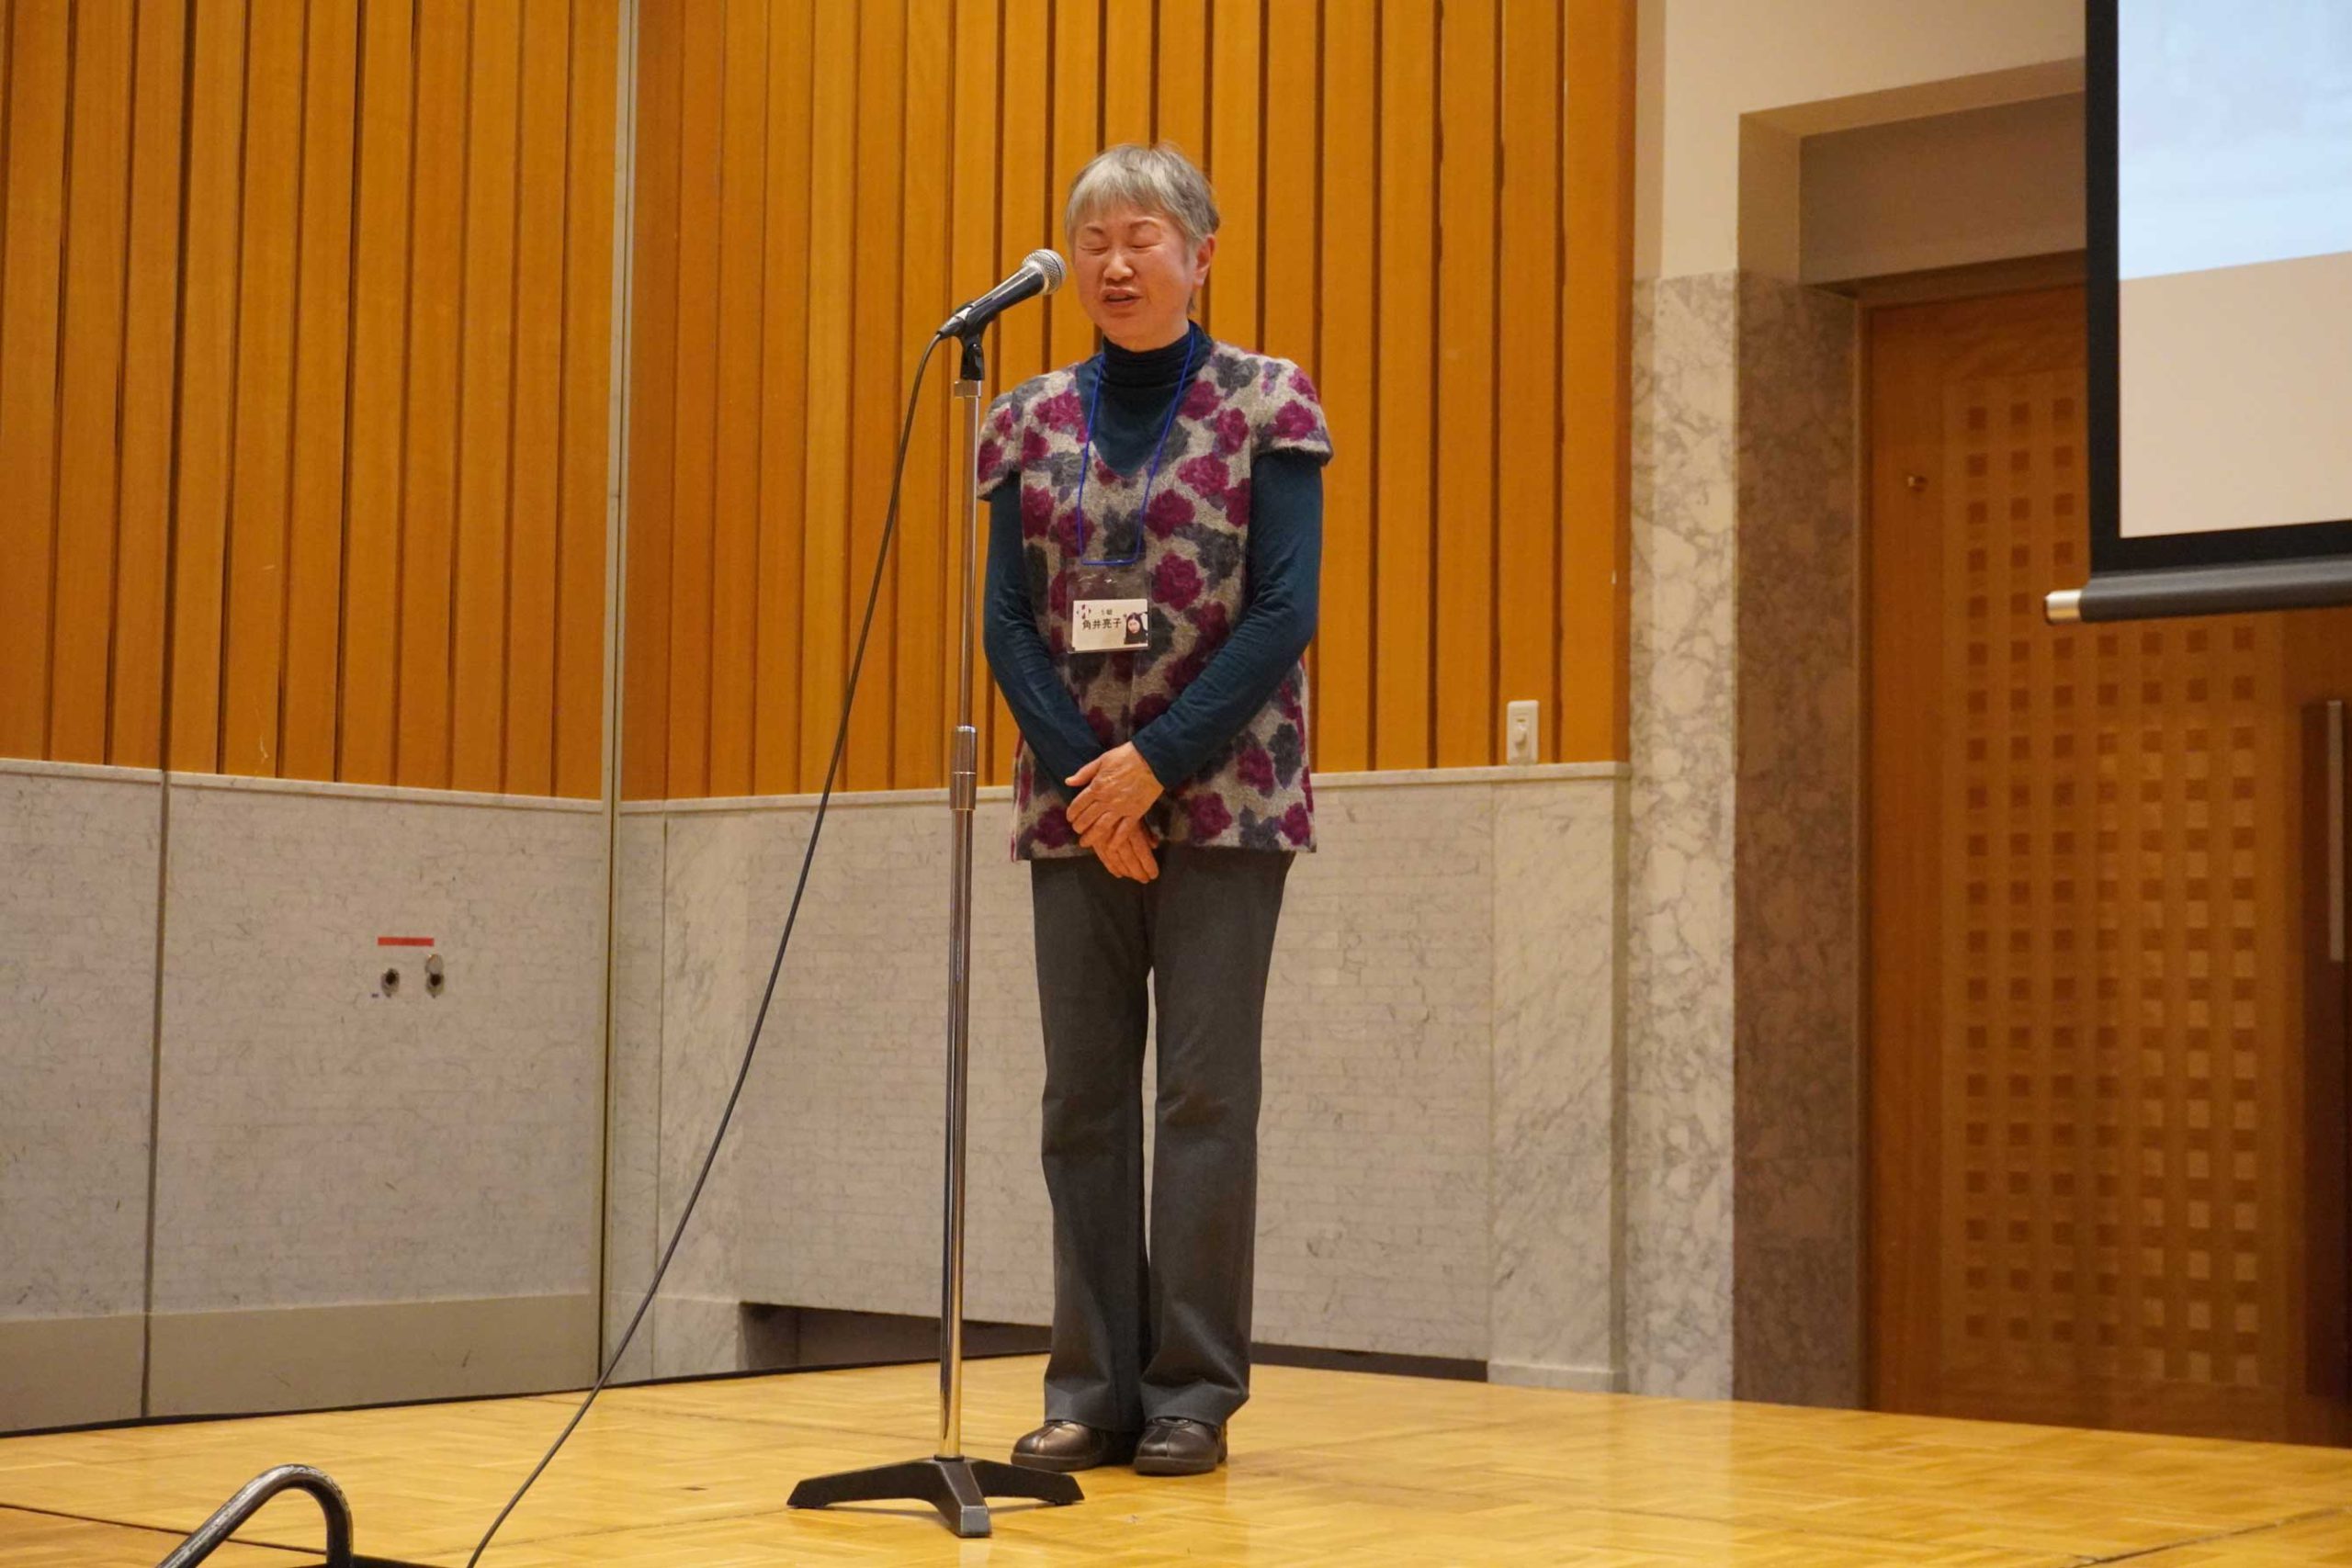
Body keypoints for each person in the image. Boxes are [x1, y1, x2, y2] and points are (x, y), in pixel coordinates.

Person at [978, 141, 1330, 1478]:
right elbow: (1009, 621)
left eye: (1142, 237)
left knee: (1201, 1100)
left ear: (1201, 255)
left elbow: (1283, 607)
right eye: (1094, 241)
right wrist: (1093, 782)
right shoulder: (1025, 419)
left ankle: (1191, 1392)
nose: (1115, 262)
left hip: (1226, 798)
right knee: (1081, 1099)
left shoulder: (1267, 400)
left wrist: (1154, 767)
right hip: (1076, 806)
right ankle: (1090, 1387)